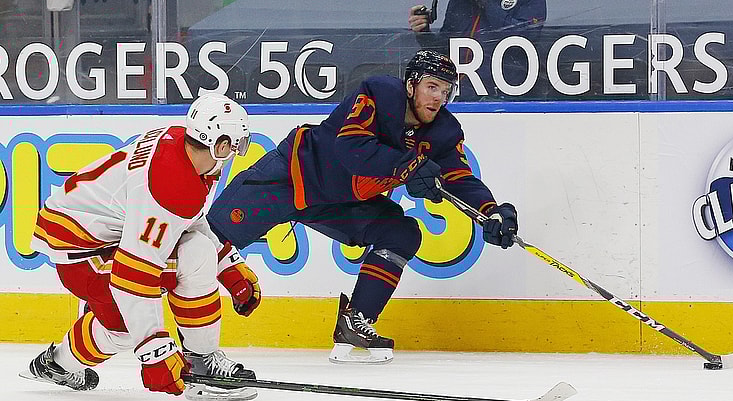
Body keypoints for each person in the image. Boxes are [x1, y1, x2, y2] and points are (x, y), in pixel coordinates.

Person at [206, 50, 519, 364]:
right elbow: (351, 148)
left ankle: (355, 322)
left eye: (446, 90)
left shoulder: (444, 132)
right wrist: (408, 166)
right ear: (411, 85)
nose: (439, 97)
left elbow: (460, 177)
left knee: (401, 232)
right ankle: (176, 335)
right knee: (204, 246)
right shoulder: (377, 94)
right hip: (290, 177)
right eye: (432, 87)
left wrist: (491, 211)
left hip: (338, 203)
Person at [19, 93, 263, 400]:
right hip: (85, 255)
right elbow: (132, 274)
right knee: (132, 321)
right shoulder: (170, 183)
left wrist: (227, 264)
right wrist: (154, 352)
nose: (236, 152)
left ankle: (55, 364)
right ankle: (201, 367)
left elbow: (186, 219)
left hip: (92, 236)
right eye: (236, 144)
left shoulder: (180, 146)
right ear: (220, 144)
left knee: (190, 257)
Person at [408, 0, 547, 100]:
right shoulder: (460, 3)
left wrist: (487, 3)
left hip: (511, 99)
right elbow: (447, 51)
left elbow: (526, 36)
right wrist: (424, 33)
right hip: (463, 98)